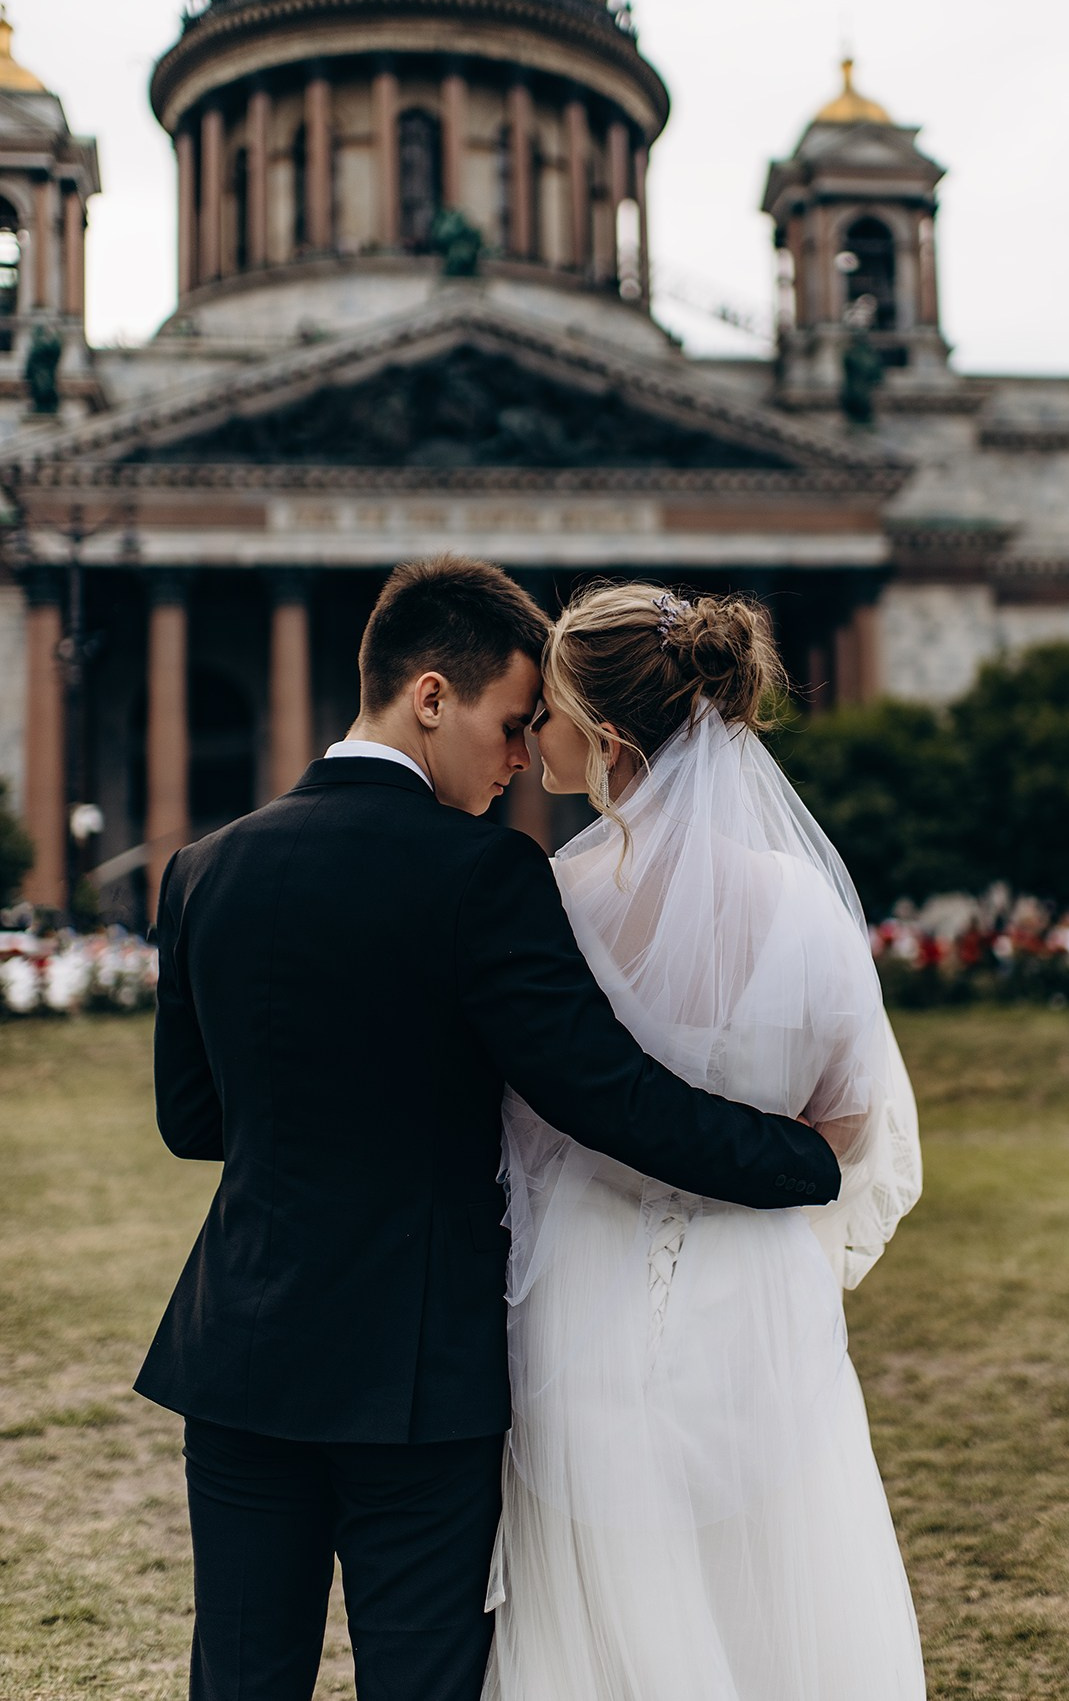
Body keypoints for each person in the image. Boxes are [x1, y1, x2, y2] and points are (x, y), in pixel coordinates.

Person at [135, 556, 841, 1701]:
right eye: (510, 724)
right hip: (417, 1378)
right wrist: (800, 1158)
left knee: (240, 1677)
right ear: (428, 697)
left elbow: (190, 1121)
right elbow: (605, 1096)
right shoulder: (483, 875)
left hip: (239, 1354)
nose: (521, 759)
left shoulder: (204, 869)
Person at [484, 583, 926, 1700]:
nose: (533, 729)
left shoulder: (555, 904)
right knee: (775, 1578)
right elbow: (854, 1118)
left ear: (609, 738)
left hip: (585, 1283)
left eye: (551, 711)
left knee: (605, 1594)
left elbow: (526, 1103)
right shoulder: (803, 907)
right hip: (760, 1280)